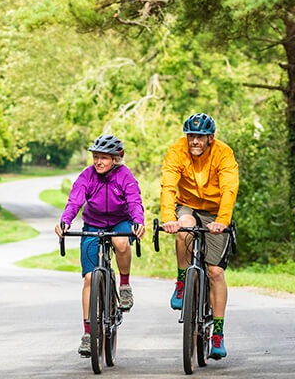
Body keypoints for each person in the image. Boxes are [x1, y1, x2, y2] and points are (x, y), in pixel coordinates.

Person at [55, 134, 146, 357]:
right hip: (93, 224)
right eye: (96, 157)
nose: (98, 162)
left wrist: (138, 221)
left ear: (116, 158)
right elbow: (75, 200)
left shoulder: (125, 176)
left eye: (104, 158)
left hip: (119, 222)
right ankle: (88, 333)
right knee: (88, 278)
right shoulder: (87, 176)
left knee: (121, 242)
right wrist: (65, 221)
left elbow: (134, 201)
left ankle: (124, 285)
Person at [159, 113, 239, 360]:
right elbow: (169, 186)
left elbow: (229, 189)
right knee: (184, 228)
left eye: (200, 137)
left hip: (216, 211)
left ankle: (217, 333)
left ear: (210, 138)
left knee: (215, 272)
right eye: (191, 136)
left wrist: (222, 222)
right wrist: (168, 218)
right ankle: (182, 282)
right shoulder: (176, 151)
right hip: (188, 206)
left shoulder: (223, 154)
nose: (194, 141)